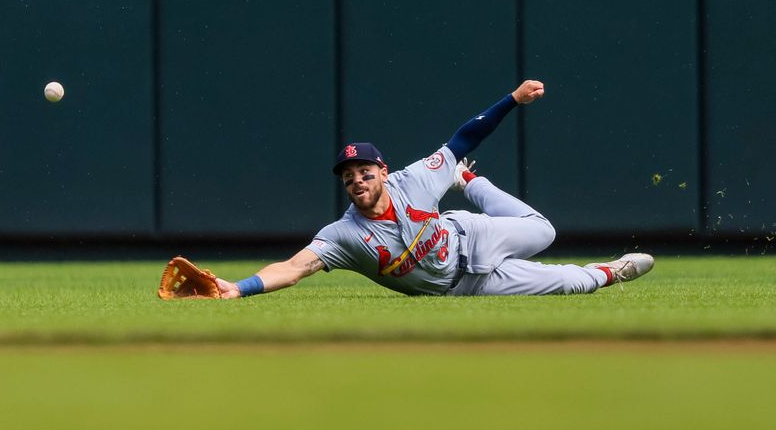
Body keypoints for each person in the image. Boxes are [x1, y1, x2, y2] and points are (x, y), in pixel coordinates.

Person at [215, 80, 654, 299]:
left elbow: (464, 138)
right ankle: (612, 271)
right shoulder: (343, 236)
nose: (356, 181)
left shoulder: (414, 180)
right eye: (348, 177)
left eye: (364, 171)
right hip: (464, 287)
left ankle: (469, 181)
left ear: (383, 171)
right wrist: (240, 287)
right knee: (571, 284)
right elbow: (294, 267)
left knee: (544, 233)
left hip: (471, 236)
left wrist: (512, 101)